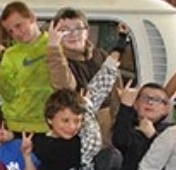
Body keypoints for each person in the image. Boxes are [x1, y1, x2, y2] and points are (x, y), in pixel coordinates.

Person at [0, 0, 54, 134]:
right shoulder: (10, 55)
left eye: (19, 26)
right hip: (16, 127)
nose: (17, 33)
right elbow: (8, 93)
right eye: (11, 32)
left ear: (32, 18)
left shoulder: (54, 46)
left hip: (50, 125)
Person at [48, 10, 124, 142]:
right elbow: (65, 88)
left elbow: (117, 92)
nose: (73, 34)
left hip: (109, 130)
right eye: (64, 30)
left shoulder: (101, 56)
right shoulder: (56, 61)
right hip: (78, 135)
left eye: (78, 28)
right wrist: (53, 47)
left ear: (87, 31)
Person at [108, 81, 172, 170]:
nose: (150, 102)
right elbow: (119, 140)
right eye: (145, 98)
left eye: (156, 100)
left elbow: (170, 161)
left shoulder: (170, 132)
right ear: (136, 104)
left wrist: (152, 136)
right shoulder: (130, 128)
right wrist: (125, 106)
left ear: (165, 109)